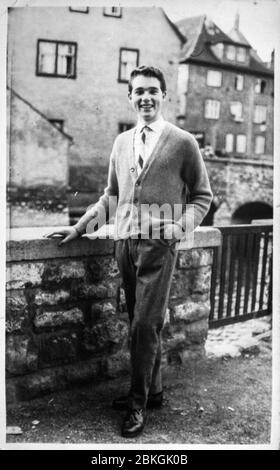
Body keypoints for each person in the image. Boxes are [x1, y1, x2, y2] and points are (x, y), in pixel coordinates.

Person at [45, 65, 213, 438]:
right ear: (130, 97)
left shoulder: (183, 141)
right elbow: (112, 196)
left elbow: (202, 196)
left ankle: (137, 405)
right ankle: (153, 392)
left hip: (159, 246)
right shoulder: (122, 142)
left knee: (144, 325)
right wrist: (79, 227)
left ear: (164, 95)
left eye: (152, 91)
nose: (146, 98)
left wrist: (178, 227)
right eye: (138, 92)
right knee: (138, 321)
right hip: (124, 244)